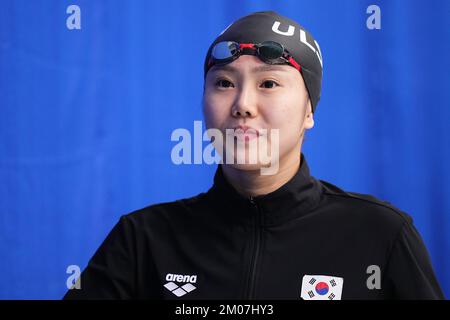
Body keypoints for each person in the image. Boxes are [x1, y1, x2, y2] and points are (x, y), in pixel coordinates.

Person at [63, 11, 444, 300]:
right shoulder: (143, 240)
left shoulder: (381, 235)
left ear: (309, 111)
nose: (243, 104)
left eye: (269, 83)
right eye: (224, 83)